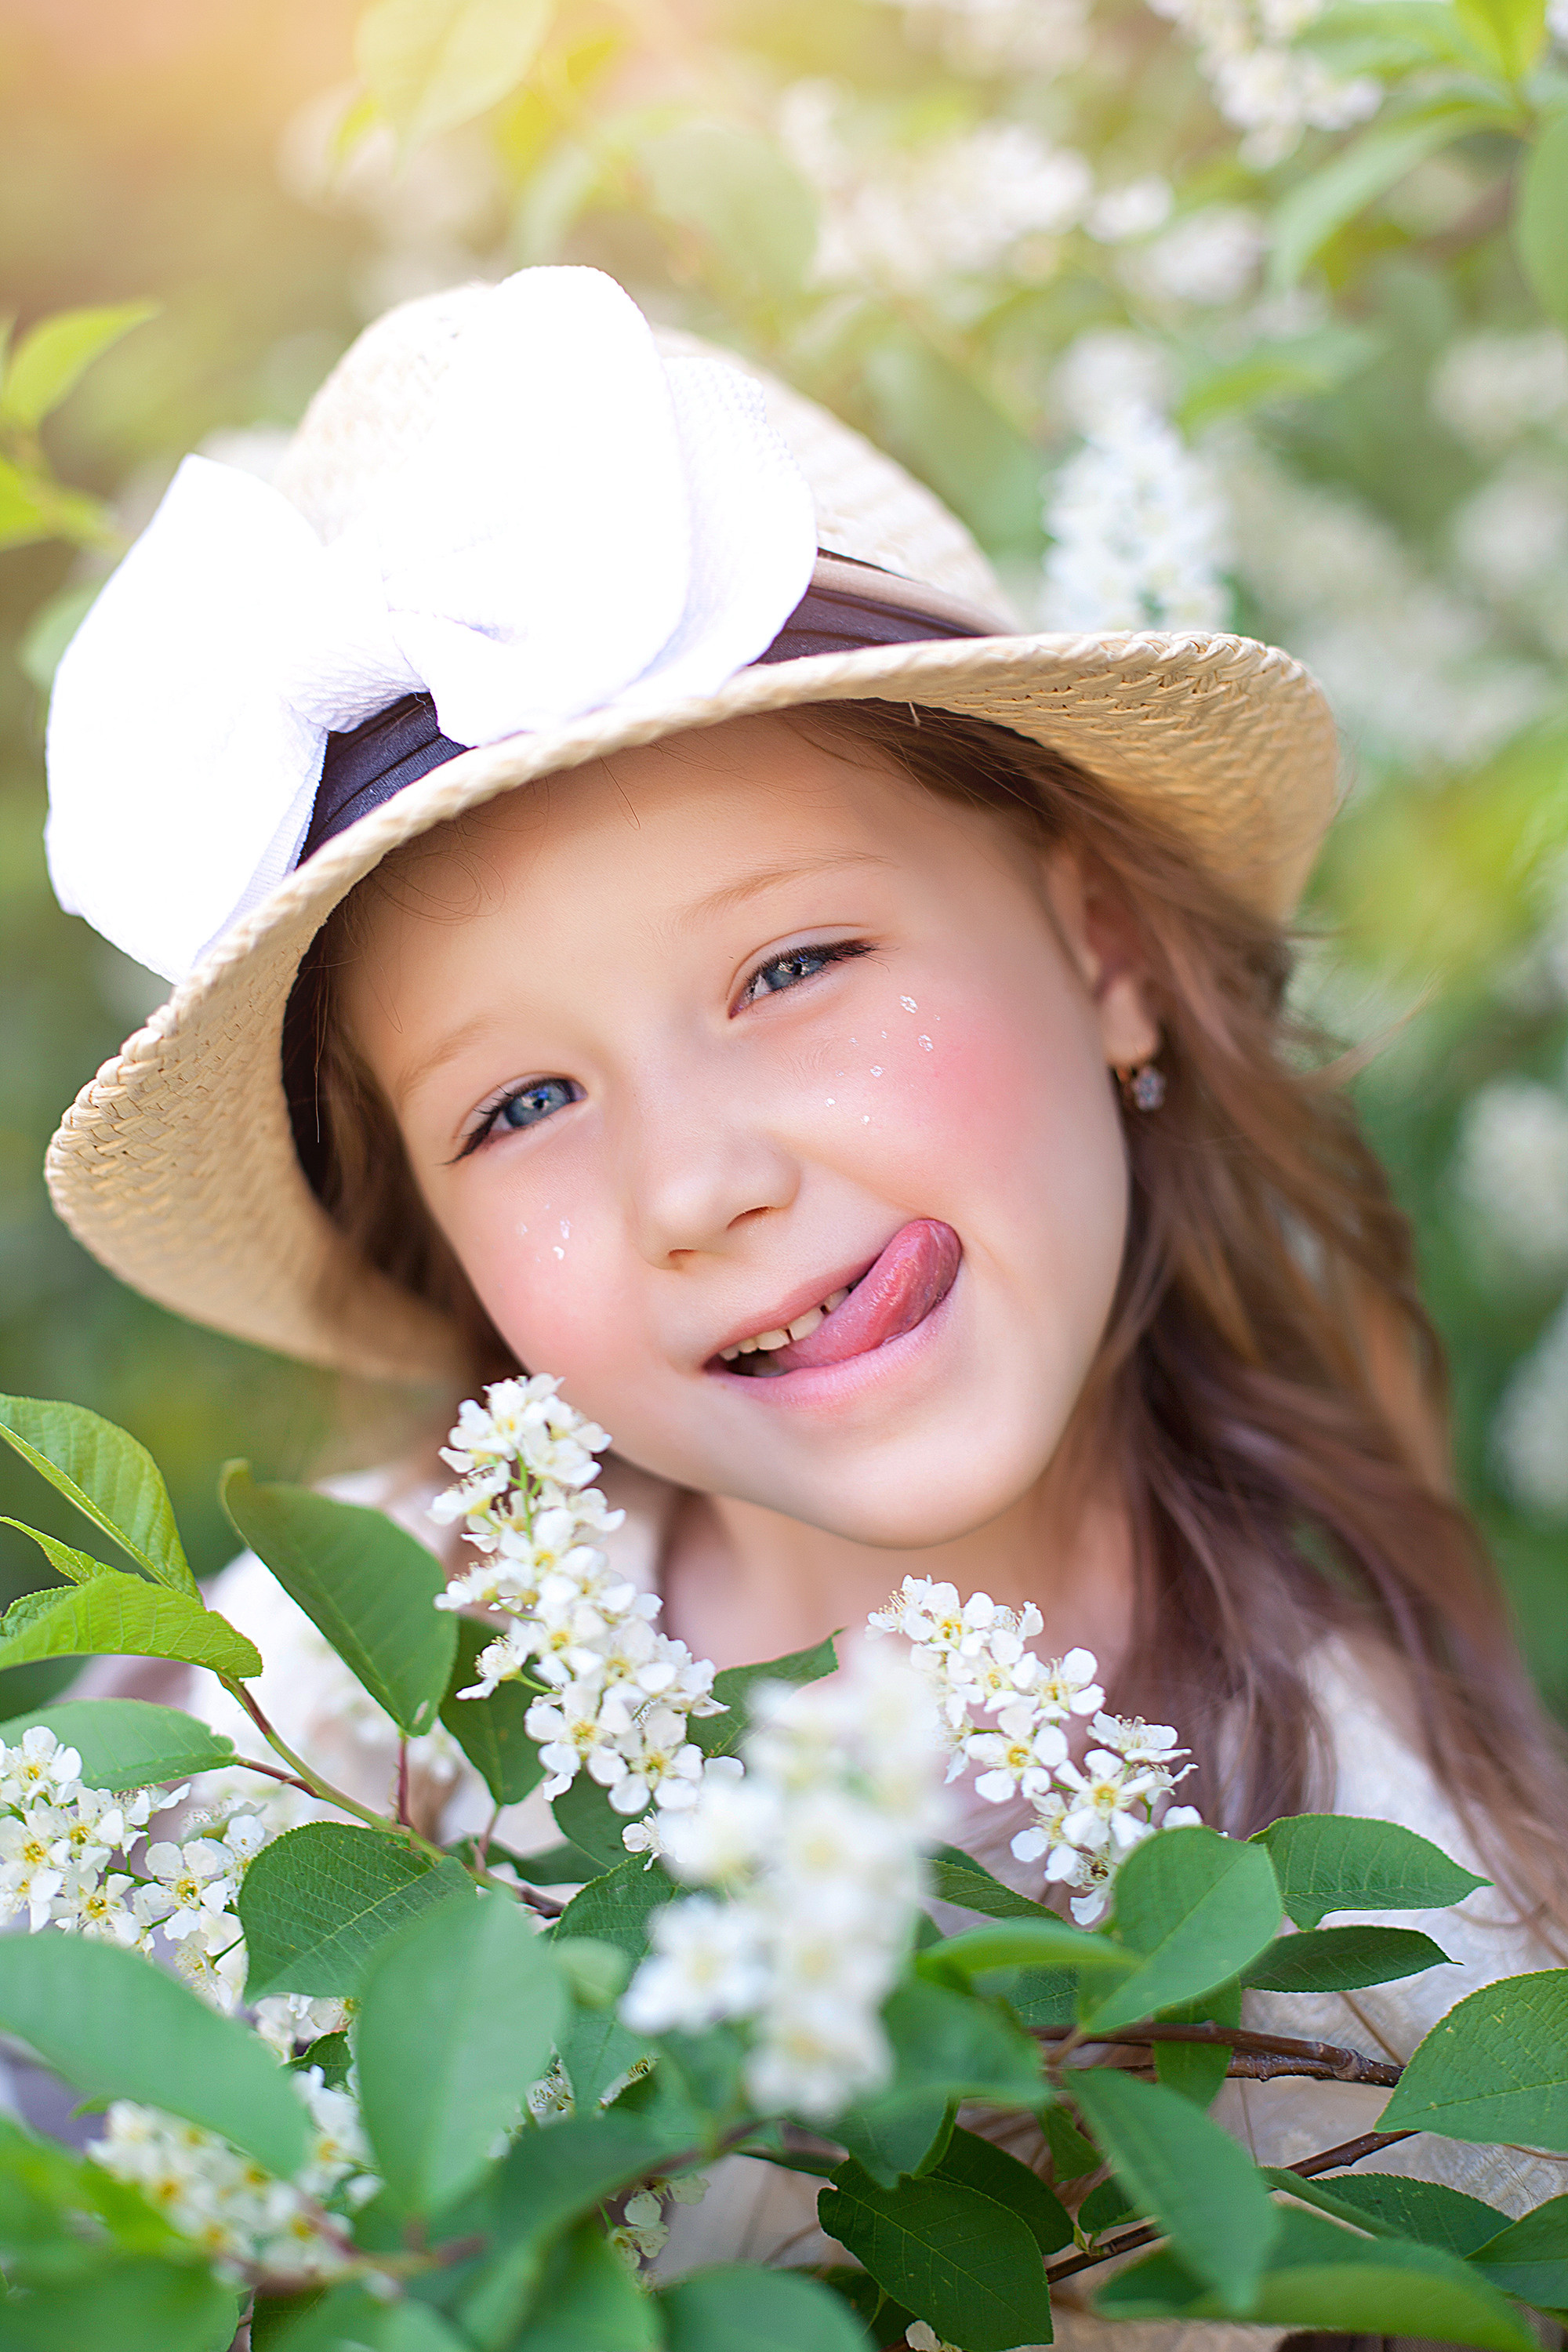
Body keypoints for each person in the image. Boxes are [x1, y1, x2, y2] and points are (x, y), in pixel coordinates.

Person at [42, 266, 1568, 2330]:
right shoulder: (319, 1709)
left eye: (792, 966)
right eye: (519, 1104)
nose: (699, 1182)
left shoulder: (1423, 1973)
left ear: (1105, 952)